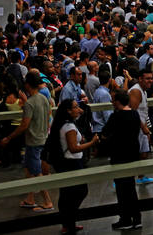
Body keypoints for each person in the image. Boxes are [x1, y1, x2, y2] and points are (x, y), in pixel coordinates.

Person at [0, 72, 54, 212]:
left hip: (33, 142)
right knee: (29, 169)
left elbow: (24, 125)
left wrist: (8, 137)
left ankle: (47, 201)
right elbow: (48, 114)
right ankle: (30, 198)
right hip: (43, 138)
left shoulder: (30, 103)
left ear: (27, 85)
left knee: (36, 172)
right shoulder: (43, 98)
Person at [48, 99, 99, 234]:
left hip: (65, 162)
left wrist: (79, 108)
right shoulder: (69, 127)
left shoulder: (63, 124)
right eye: (75, 107)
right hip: (72, 163)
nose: (79, 109)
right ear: (68, 111)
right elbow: (74, 148)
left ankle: (68, 223)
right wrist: (92, 143)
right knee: (80, 191)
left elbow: (81, 113)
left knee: (66, 194)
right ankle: (70, 220)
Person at [101, 90, 142, 230]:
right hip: (132, 154)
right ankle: (136, 218)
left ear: (117, 102)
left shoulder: (116, 116)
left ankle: (125, 219)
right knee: (130, 186)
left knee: (121, 188)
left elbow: (105, 134)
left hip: (119, 155)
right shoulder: (135, 114)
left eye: (113, 100)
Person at [129, 68, 153, 184]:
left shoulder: (143, 91)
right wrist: (143, 127)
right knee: (134, 155)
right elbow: (132, 112)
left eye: (151, 79)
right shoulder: (136, 91)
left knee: (144, 152)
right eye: (147, 79)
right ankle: (125, 178)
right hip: (135, 128)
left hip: (141, 127)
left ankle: (141, 176)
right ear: (140, 79)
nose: (150, 81)